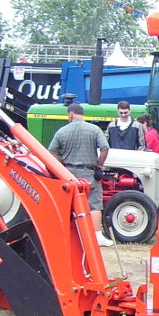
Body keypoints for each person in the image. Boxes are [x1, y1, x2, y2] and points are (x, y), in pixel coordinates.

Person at [48, 102, 113, 247]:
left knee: (67, 204)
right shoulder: (95, 129)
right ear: (82, 114)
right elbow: (105, 148)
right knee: (95, 205)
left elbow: (51, 151)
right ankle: (97, 236)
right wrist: (99, 164)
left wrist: (62, 162)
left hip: (69, 173)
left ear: (70, 114)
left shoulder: (62, 131)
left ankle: (66, 234)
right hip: (89, 172)